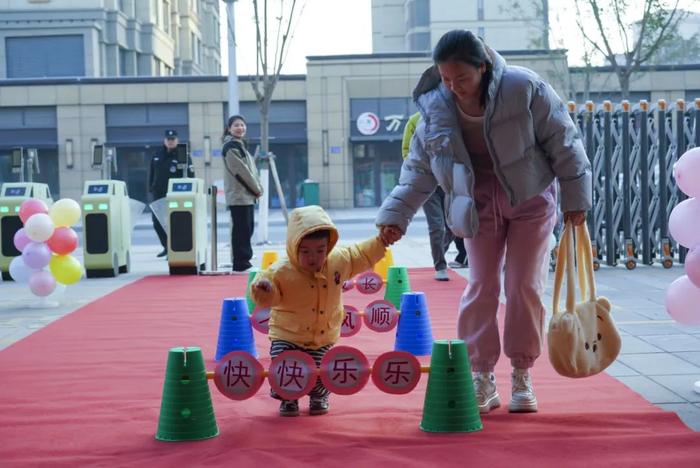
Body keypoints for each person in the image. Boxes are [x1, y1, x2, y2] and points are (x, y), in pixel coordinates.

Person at [377, 30, 591, 414]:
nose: (454, 87)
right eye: (446, 78)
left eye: (462, 78)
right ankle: (481, 375)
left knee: (523, 285)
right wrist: (395, 216)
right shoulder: (435, 108)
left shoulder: (524, 88)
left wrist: (576, 198)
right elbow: (419, 170)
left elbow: (565, 141)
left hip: (530, 197)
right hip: (474, 203)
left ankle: (522, 375)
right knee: (481, 285)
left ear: (484, 66)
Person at [251, 205, 390, 416]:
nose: (313, 257)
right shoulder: (279, 271)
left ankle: (319, 395)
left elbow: (360, 254)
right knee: (286, 365)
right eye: (305, 251)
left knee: (321, 369)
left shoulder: (339, 261)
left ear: (329, 246)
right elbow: (267, 298)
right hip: (288, 333)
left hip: (323, 332)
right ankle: (288, 399)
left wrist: (382, 241)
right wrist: (263, 290)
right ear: (293, 246)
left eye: (320, 250)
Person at [403, 112, 467, 280]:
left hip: (450, 182)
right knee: (436, 226)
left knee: (454, 225)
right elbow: (406, 152)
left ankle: (439, 254)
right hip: (428, 183)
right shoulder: (414, 121)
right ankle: (440, 266)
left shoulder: (451, 117)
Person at [222, 115, 263, 272]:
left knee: (247, 229)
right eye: (236, 125)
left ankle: (244, 261)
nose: (240, 128)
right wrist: (257, 189)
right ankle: (240, 263)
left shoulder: (240, 145)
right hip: (239, 195)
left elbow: (250, 171)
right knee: (241, 230)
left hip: (247, 196)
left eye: (242, 125)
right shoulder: (231, 147)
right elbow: (241, 172)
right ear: (229, 128)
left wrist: (256, 189)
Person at [148, 129, 194, 258]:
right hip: (158, 194)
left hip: (176, 195)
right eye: (168, 139)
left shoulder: (182, 154)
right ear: (164, 140)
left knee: (176, 223)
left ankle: (174, 248)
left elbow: (190, 175)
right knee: (157, 222)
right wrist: (151, 187)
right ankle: (166, 247)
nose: (171, 141)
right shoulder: (157, 153)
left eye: (173, 139)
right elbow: (152, 172)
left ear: (177, 140)